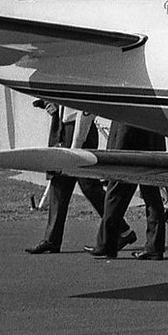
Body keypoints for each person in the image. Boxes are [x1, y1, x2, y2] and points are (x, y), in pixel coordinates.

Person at [26, 103, 127, 255]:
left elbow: (86, 110)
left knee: (88, 186)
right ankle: (51, 239)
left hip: (79, 129)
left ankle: (121, 230)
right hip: (65, 126)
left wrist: (76, 145)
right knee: (60, 184)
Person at [89, 122, 167, 260]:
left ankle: (107, 243)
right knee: (151, 193)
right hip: (151, 132)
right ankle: (154, 246)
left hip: (130, 132)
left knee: (117, 191)